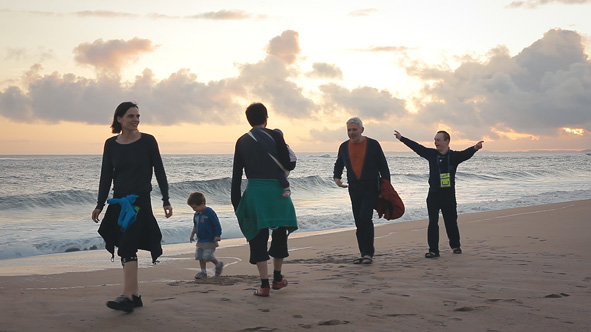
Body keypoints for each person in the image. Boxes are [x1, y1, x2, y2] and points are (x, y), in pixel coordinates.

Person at [91, 102, 173, 313]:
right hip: (119, 203)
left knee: (128, 245)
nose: (136, 119)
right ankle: (134, 295)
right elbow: (106, 175)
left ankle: (127, 296)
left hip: (139, 203)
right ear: (119, 119)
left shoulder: (147, 141)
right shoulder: (110, 144)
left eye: (137, 116)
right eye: (131, 116)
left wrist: (166, 199)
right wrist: (100, 204)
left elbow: (160, 171)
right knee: (125, 245)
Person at [231, 102, 298, 297]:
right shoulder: (276, 135)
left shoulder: (242, 141)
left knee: (258, 237)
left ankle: (263, 285)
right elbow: (288, 165)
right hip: (278, 192)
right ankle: (277, 278)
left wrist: (237, 203)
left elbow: (236, 176)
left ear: (248, 119)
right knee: (279, 234)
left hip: (256, 193)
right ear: (266, 117)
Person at [394, 130, 483, 258]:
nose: (436, 142)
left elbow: (466, 154)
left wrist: (475, 148)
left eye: (439, 140)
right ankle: (433, 250)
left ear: (447, 141)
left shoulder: (453, 157)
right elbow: (417, 147)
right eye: (435, 140)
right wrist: (402, 138)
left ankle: (455, 246)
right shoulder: (431, 154)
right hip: (434, 195)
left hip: (448, 196)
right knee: (433, 222)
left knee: (451, 221)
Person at [333, 117, 390, 265]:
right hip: (354, 188)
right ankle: (363, 252)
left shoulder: (373, 144)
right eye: (349, 130)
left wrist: (386, 187)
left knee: (365, 217)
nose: (351, 133)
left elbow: (383, 166)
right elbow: (339, 163)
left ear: (362, 130)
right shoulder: (344, 146)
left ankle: (368, 253)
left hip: (371, 187)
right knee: (359, 220)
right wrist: (337, 177)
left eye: (354, 130)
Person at [187, 191, 224, 279]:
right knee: (199, 256)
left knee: (207, 256)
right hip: (200, 239)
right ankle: (203, 272)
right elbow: (196, 225)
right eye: (192, 208)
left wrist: (217, 235)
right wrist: (192, 235)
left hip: (210, 239)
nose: (194, 209)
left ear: (202, 203)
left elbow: (216, 224)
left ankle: (218, 264)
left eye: (195, 207)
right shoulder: (196, 214)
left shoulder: (209, 212)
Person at [273, 128, 297, 197]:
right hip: (290, 161)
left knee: (280, 173)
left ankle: (287, 188)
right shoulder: (282, 145)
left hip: (290, 162)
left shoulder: (282, 146)